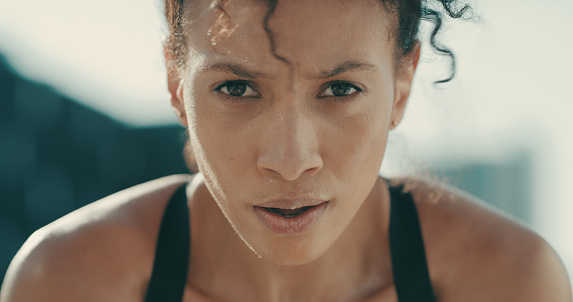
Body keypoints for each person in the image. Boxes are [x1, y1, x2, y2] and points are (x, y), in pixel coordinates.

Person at [1, 0, 571, 301]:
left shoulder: (505, 284)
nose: (291, 159)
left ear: (402, 83)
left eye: (340, 89)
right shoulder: (69, 283)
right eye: (238, 88)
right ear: (177, 84)